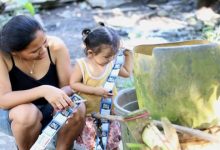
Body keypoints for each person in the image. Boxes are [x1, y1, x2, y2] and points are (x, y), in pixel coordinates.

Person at [0, 15, 86, 150]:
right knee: (27, 114)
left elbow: (70, 86)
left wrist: (60, 97)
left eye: (44, 42)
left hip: (51, 109)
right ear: (15, 53)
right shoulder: (3, 56)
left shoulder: (55, 46)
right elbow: (3, 100)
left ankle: (63, 147)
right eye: (35, 51)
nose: (43, 50)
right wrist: (44, 90)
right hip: (15, 116)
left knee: (76, 107)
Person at [70, 24, 133, 149]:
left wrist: (128, 55)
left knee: (112, 142)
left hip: (108, 113)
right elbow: (73, 84)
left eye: (113, 56)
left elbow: (126, 73)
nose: (110, 59)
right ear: (90, 53)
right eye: (107, 57)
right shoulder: (82, 65)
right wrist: (94, 90)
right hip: (89, 114)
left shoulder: (110, 63)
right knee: (92, 145)